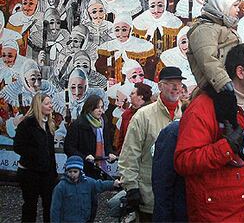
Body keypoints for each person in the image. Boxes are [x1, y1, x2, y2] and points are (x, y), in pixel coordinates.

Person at [174, 43, 244, 222]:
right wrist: (226, 147)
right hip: (217, 216)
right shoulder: (203, 108)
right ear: (240, 72)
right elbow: (183, 161)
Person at [118, 66, 185, 222]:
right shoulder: (143, 116)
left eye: (179, 83)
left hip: (180, 198)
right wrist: (131, 187)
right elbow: (129, 154)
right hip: (150, 197)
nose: (176, 87)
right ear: (160, 86)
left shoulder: (188, 114)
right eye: (170, 83)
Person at [187, 0, 241, 128]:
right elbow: (207, 59)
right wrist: (223, 81)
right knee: (227, 113)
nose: (238, 10)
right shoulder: (204, 29)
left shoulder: (222, 27)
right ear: (222, 4)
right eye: (235, 6)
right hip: (216, 86)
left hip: (228, 81)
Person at [13, 93, 58, 222]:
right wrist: (37, 154)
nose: (51, 106)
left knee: (49, 205)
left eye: (51, 103)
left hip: (47, 173)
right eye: (47, 103)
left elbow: (51, 150)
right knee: (30, 206)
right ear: (39, 105)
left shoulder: (49, 123)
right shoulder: (27, 124)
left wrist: (53, 172)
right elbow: (18, 146)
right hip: (29, 172)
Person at [51, 155, 121, 223]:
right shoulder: (61, 186)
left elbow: (100, 185)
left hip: (84, 219)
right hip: (67, 220)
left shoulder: (88, 182)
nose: (72, 174)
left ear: (80, 171)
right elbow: (55, 208)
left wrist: (113, 183)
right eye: (70, 171)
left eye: (75, 171)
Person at [64, 94, 117, 179]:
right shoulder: (77, 125)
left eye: (102, 107)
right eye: (97, 108)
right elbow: (69, 148)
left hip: (100, 169)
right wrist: (84, 157)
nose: (101, 111)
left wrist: (110, 153)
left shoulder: (104, 123)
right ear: (89, 108)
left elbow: (107, 144)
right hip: (83, 170)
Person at [116, 82, 153, 153]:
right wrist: (120, 153)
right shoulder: (127, 113)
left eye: (132, 93)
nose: (130, 95)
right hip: (127, 155)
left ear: (140, 96)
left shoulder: (151, 113)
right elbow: (121, 137)